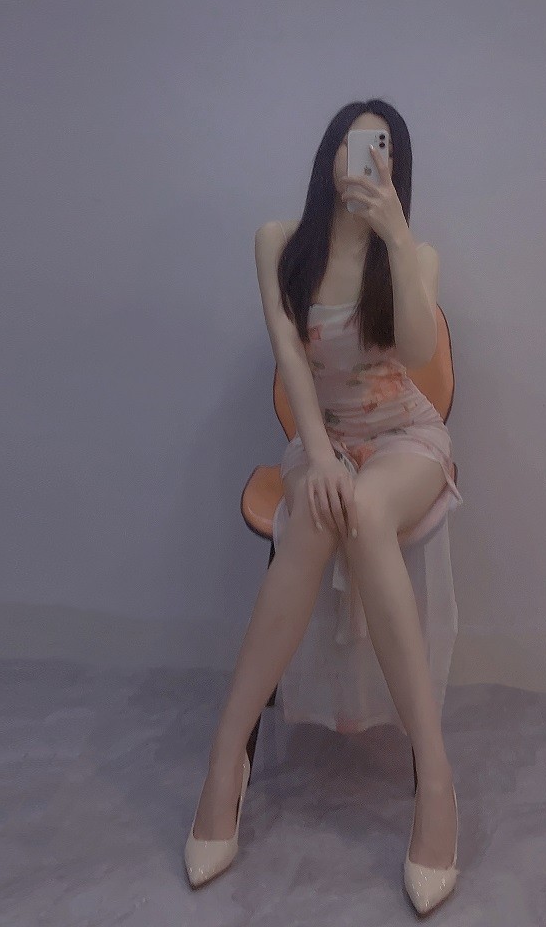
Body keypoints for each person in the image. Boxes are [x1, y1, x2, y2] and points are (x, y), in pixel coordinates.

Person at [184, 99, 462, 914]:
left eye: (379, 147)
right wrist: (317, 453)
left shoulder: (414, 253)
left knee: (366, 513)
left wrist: (396, 236)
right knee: (315, 512)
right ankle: (225, 760)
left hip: (405, 437)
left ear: (395, 165)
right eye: (351, 142)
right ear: (327, 154)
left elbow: (417, 352)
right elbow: (289, 357)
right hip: (324, 437)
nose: (362, 158)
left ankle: (435, 779)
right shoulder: (279, 242)